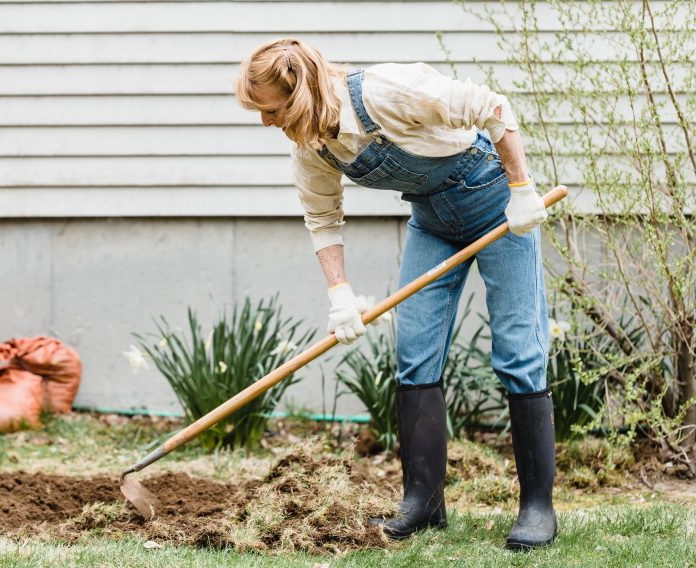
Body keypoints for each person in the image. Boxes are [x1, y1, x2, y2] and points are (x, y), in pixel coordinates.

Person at [234, 38, 556, 551]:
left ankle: (538, 508)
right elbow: (323, 219)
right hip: (433, 224)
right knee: (415, 355)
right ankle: (423, 503)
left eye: (270, 110)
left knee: (519, 352)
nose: (266, 122)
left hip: (499, 208)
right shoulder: (314, 144)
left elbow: (492, 107)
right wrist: (340, 293)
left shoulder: (386, 91)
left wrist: (521, 189)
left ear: (295, 97)